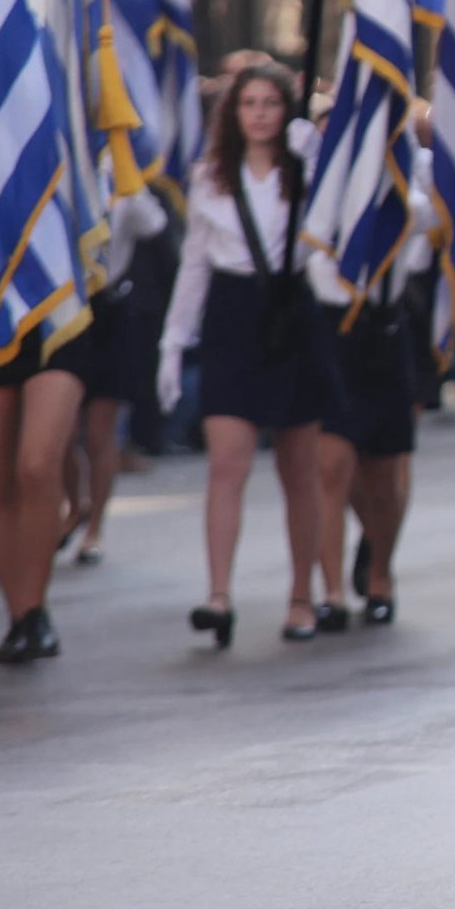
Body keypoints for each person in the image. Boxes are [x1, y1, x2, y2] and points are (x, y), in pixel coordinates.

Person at [157, 61, 333, 648]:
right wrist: (173, 343)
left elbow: (333, 236)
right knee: (226, 461)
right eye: (248, 104)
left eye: (271, 103)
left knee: (298, 467)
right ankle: (218, 595)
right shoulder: (210, 177)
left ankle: (301, 596)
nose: (260, 114)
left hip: (291, 310)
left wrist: (321, 160)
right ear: (233, 114)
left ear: (287, 112)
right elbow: (195, 265)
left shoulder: (307, 168)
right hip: (232, 314)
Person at [311, 146, 435, 630]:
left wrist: (392, 176)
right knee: (330, 466)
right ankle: (332, 592)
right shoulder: (316, 192)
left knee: (384, 474)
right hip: (328, 329)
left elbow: (428, 220)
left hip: (386, 328)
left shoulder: (402, 192)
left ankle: (380, 573)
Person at [64, 171, 168, 566]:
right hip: (67, 308)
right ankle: (75, 505)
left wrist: (130, 183)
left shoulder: (119, 179)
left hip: (111, 308)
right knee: (62, 431)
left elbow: (153, 224)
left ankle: (95, 529)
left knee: (99, 431)